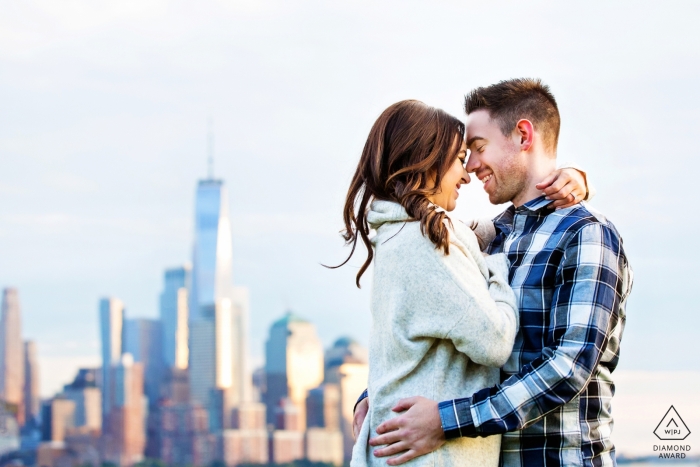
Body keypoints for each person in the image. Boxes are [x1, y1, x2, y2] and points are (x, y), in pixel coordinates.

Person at [356, 79, 633, 467]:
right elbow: (421, 321)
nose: (469, 166)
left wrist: (447, 420)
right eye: (465, 155)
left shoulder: (586, 234)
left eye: (478, 149)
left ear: (523, 135)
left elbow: (568, 368)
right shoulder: (487, 237)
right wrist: (379, 396)